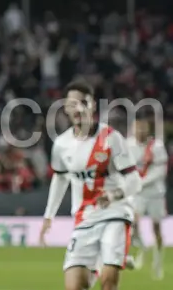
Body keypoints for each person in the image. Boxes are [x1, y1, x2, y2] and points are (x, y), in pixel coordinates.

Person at [39, 80, 141, 290]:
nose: (77, 108)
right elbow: (60, 178)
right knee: (75, 286)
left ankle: (110, 258)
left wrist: (114, 195)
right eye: (71, 104)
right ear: (65, 109)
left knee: (108, 281)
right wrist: (49, 216)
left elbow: (135, 180)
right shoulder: (61, 145)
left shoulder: (112, 139)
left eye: (82, 102)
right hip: (84, 220)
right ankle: (108, 258)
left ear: (93, 105)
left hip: (115, 213)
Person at [126, 118, 167, 280]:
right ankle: (142, 247)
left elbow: (161, 171)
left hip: (155, 194)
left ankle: (158, 262)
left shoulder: (156, 147)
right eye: (136, 128)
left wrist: (141, 182)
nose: (139, 132)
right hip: (138, 194)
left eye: (142, 129)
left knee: (156, 228)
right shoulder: (127, 145)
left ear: (147, 130)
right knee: (133, 223)